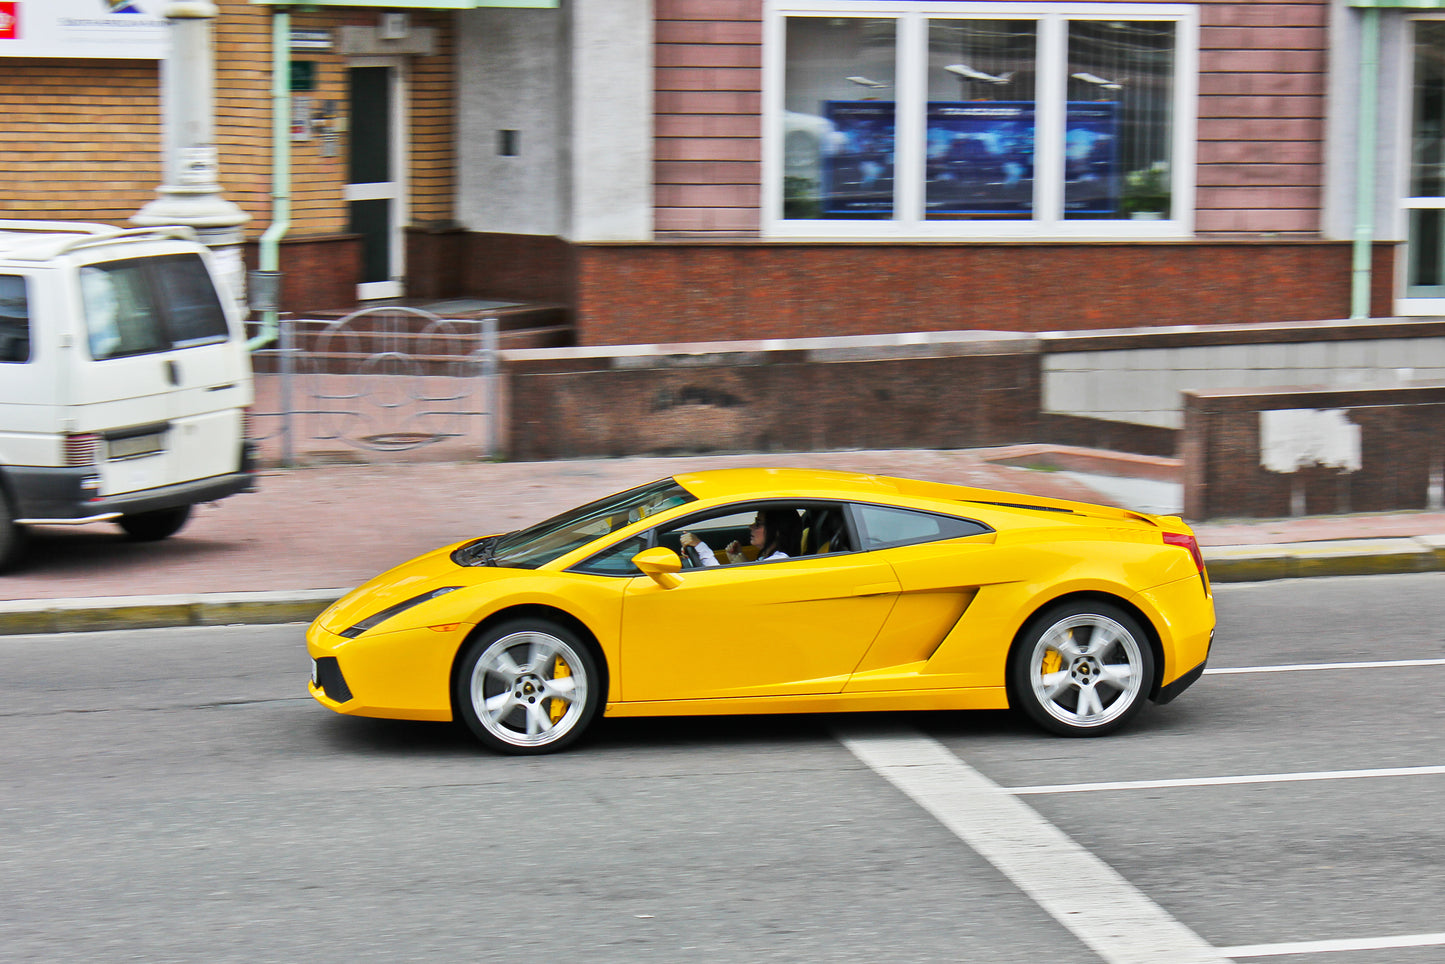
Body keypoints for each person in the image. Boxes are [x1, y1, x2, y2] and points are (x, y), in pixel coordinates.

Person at [680, 509, 802, 567]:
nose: (751, 527)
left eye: (758, 523)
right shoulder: (769, 559)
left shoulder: (776, 562)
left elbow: (722, 585)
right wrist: (740, 560)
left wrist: (701, 547)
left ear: (777, 531)